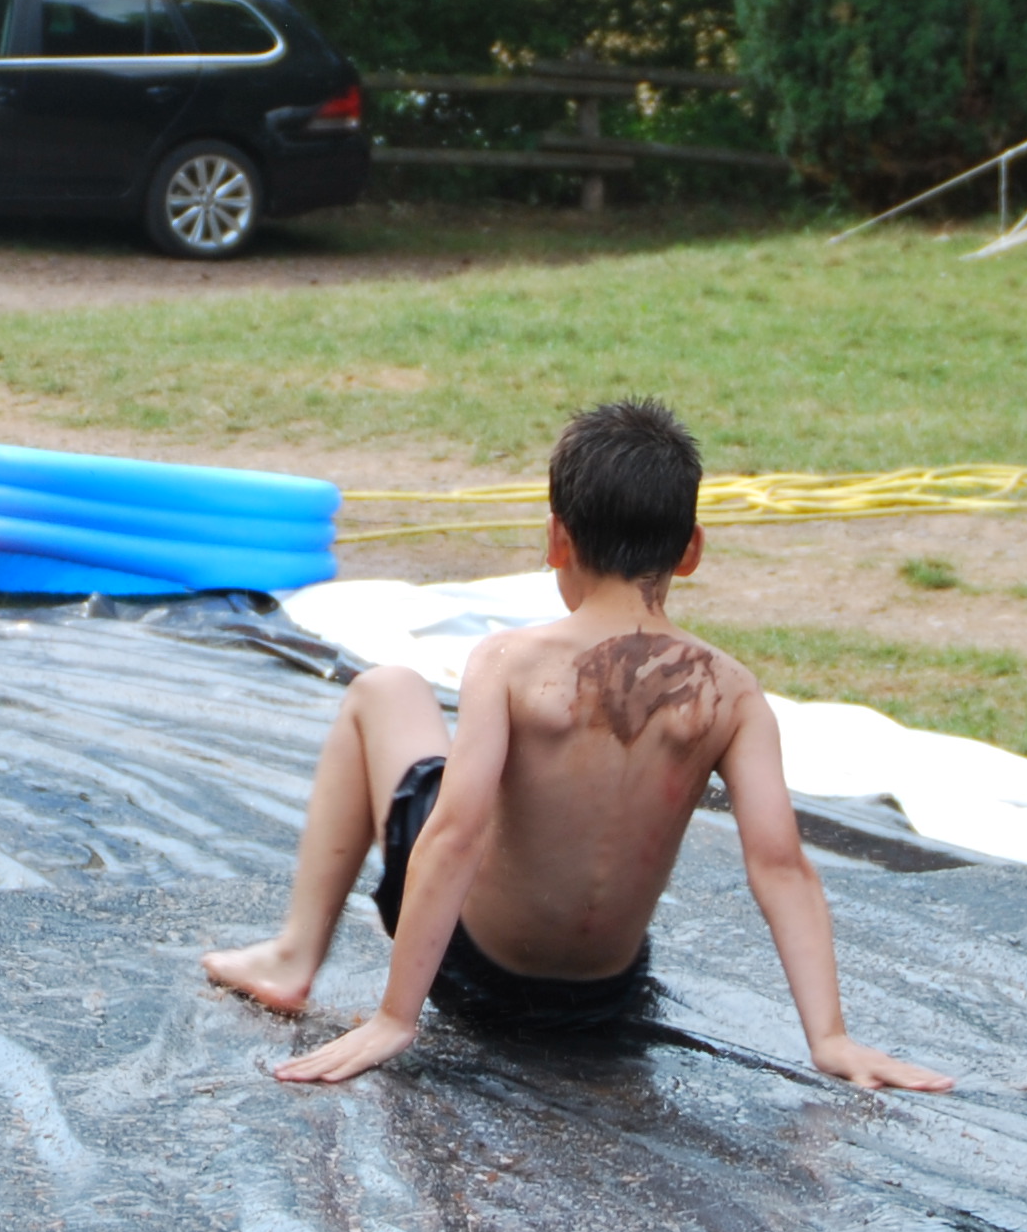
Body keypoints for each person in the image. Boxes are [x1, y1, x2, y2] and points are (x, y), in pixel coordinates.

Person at [205, 398, 953, 1094]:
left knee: (386, 689)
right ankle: (298, 954)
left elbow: (456, 832)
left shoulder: (509, 662)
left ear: (557, 538)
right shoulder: (732, 693)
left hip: (469, 972)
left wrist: (396, 1017)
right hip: (604, 997)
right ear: (690, 550)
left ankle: (295, 954)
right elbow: (781, 865)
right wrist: (829, 1037)